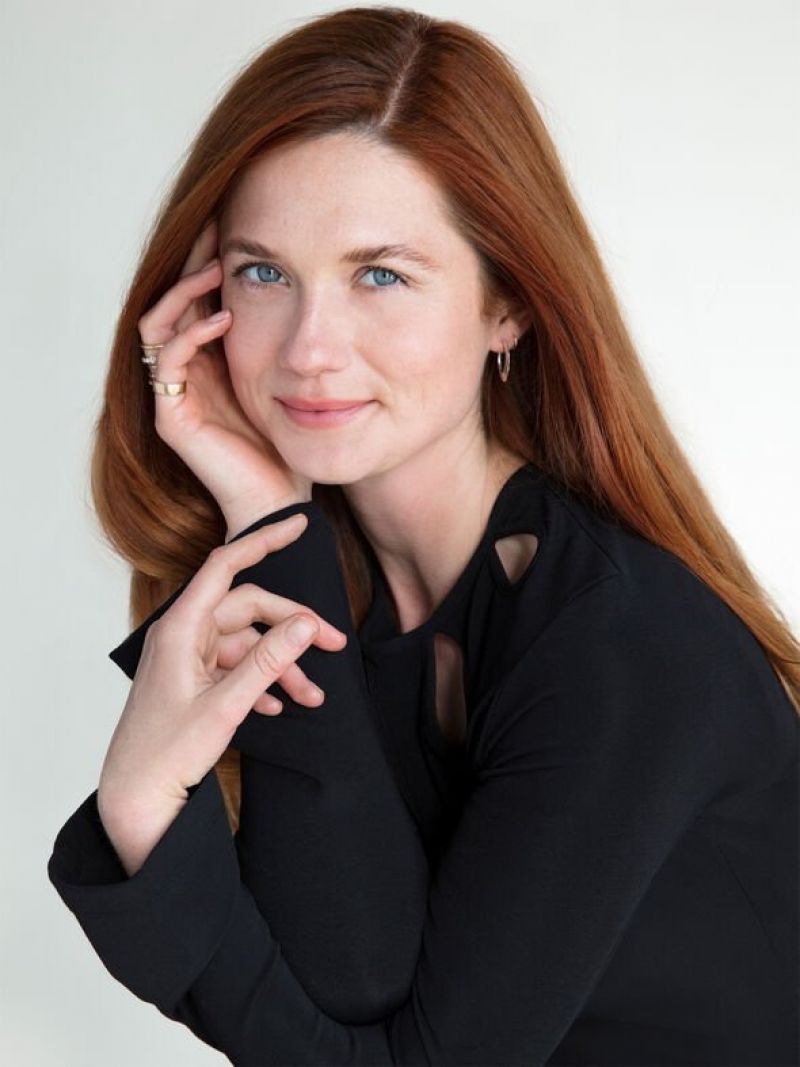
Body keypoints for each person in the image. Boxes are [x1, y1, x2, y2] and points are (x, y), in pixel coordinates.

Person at [46, 6, 799, 1064]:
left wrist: (139, 810)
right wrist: (269, 513)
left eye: (381, 275)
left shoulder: (620, 643)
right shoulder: (327, 586)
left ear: (507, 306)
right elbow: (352, 978)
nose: (310, 349)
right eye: (264, 272)